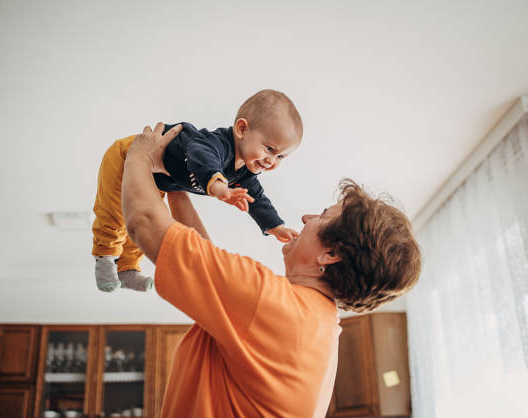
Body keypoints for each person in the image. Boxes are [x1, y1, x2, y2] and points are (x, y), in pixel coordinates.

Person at [121, 123, 422, 417]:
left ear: (331, 254)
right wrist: (176, 185)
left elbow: (144, 222)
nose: (306, 218)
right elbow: (203, 261)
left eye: (323, 216)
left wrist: (139, 155)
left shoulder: (274, 306)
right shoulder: (316, 323)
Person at [92, 89, 303, 292]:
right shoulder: (217, 144)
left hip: (156, 177)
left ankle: (127, 268)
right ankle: (105, 256)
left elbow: (257, 199)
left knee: (136, 215)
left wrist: (275, 226)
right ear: (241, 129)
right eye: (269, 149)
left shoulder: (245, 173)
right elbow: (201, 155)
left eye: (281, 157)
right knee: (114, 214)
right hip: (128, 156)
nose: (271, 161)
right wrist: (218, 185)